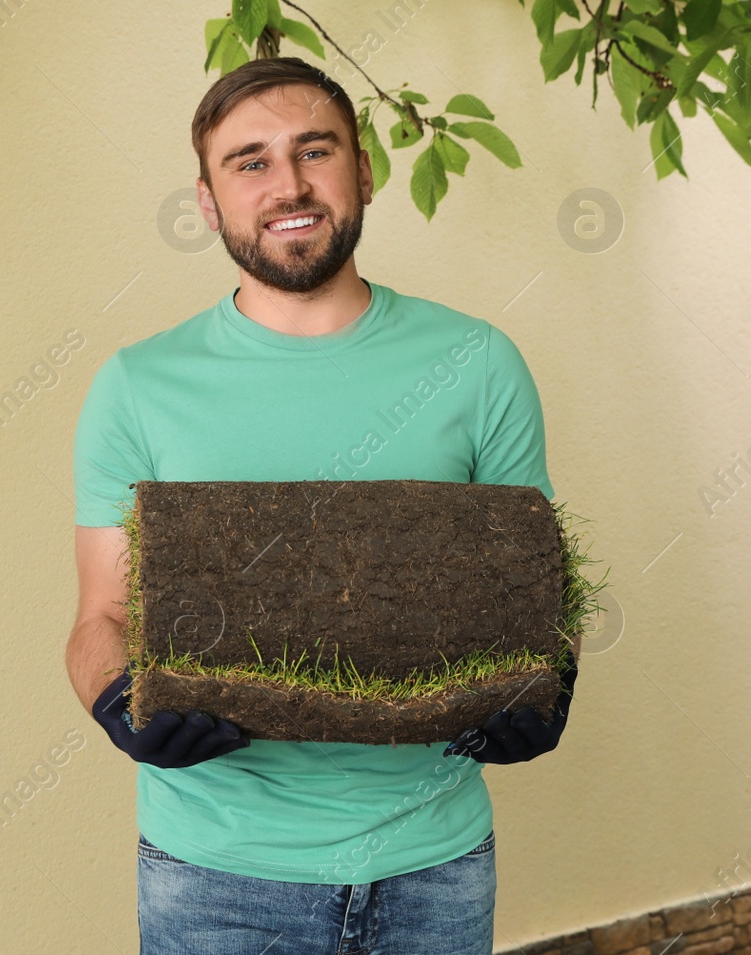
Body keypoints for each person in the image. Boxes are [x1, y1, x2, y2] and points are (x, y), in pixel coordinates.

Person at [66, 56, 581, 955]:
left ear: (364, 171)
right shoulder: (138, 386)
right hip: (215, 874)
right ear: (207, 200)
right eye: (250, 161)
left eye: (316, 149)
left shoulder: (479, 363)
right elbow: (100, 615)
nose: (289, 183)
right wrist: (117, 695)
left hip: (436, 866)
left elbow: (533, 600)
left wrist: (554, 675)